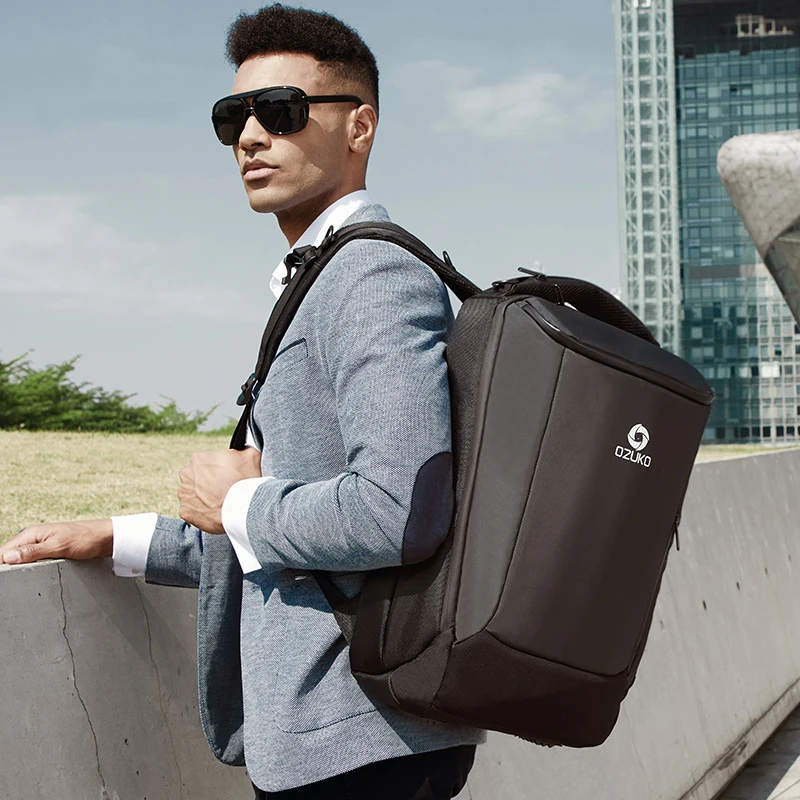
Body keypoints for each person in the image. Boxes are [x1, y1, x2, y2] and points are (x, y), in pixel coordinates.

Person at [0, 5, 485, 798]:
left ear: (359, 126)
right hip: (340, 741)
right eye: (233, 117)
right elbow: (281, 539)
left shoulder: (371, 277)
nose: (251, 137)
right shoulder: (317, 280)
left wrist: (235, 502)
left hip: (363, 743)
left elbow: (397, 510)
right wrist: (115, 536)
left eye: (281, 111)